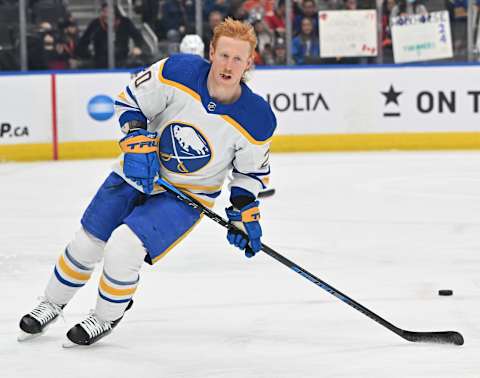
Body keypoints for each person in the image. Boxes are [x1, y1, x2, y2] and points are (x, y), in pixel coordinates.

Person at [18, 17, 276, 347]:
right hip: (136, 172)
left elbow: (248, 174)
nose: (229, 65)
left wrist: (243, 211)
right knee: (88, 242)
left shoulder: (257, 118)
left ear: (249, 62)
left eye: (238, 58)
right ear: (211, 51)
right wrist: (137, 135)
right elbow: (131, 101)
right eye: (224, 55)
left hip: (185, 196)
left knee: (124, 246)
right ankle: (51, 303)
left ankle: (105, 316)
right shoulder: (178, 72)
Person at [75, 3, 145, 68]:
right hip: (100, 61)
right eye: (104, 12)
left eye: (108, 12)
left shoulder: (125, 22)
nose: (106, 15)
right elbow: (84, 41)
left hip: (122, 59)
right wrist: (88, 55)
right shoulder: (96, 24)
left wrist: (138, 47)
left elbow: (138, 37)